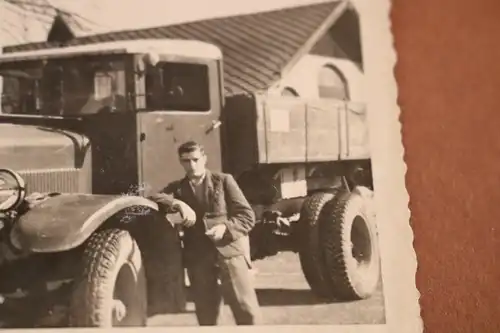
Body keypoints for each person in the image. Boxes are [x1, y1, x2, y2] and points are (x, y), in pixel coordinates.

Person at [149, 141, 262, 326]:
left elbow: (247, 216)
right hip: (198, 258)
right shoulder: (177, 188)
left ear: (204, 159)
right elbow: (153, 197)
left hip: (229, 253)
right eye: (186, 161)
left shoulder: (224, 180)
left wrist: (226, 228)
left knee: (246, 311)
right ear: (180, 162)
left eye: (195, 160)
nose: (191, 165)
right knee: (206, 315)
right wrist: (179, 204)